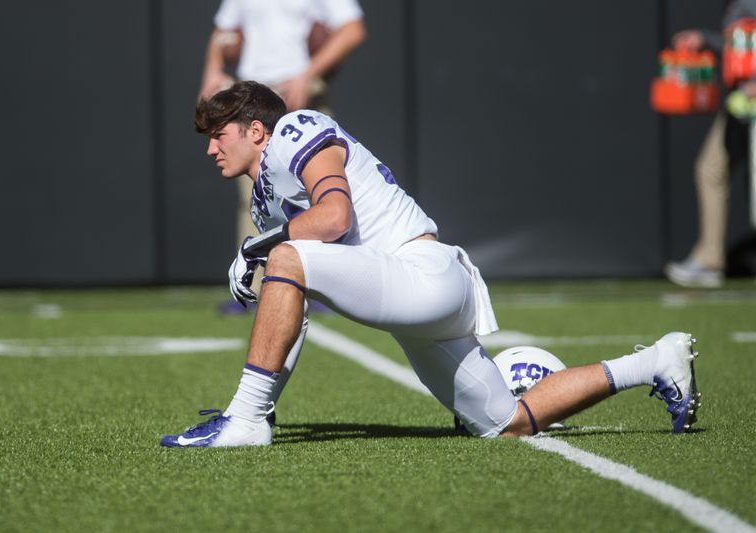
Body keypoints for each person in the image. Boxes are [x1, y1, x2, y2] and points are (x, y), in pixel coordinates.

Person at [160, 81, 702, 448]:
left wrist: (257, 248)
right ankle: (657, 361)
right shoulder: (267, 193)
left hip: (421, 275)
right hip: (415, 297)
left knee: (286, 255)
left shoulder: (294, 129)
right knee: (505, 424)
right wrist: (271, 263)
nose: (210, 148)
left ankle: (246, 419)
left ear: (256, 130)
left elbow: (334, 217)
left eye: (218, 134)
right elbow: (297, 295)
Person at [199, 0, 366, 310]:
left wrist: (308, 73)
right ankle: (256, 286)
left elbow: (352, 29)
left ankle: (322, 286)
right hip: (253, 97)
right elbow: (222, 34)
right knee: (256, 196)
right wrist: (211, 73)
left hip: (299, 96)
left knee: (314, 192)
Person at [665, 0, 756, 288]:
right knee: (710, 168)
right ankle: (709, 259)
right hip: (741, 106)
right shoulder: (738, 6)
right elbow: (737, 46)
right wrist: (705, 39)